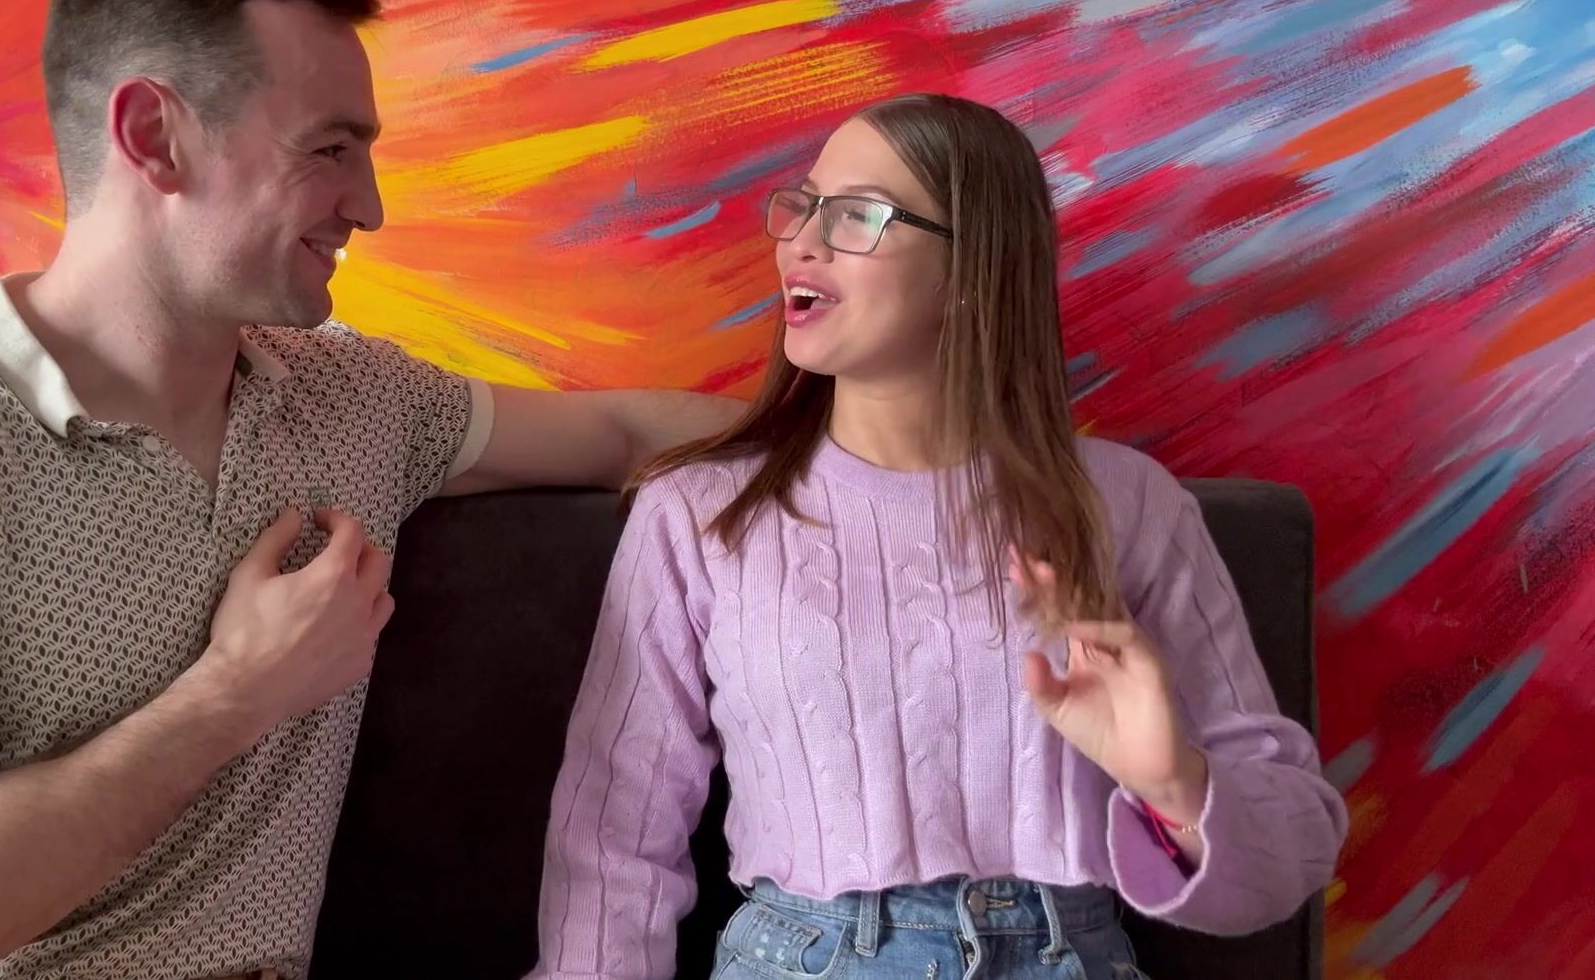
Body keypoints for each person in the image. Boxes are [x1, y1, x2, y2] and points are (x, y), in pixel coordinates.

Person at [0, 0, 738, 980]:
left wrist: (864, 426)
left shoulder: (357, 400)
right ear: (155, 136)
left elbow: (627, 432)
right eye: (329, 149)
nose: (368, 206)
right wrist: (234, 697)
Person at [529, 94, 1348, 979]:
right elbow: (612, 836)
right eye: (802, 206)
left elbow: (1291, 858)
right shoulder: (695, 515)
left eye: (856, 216)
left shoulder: (1127, 502)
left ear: (971, 267)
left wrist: (1172, 782)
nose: (800, 242)